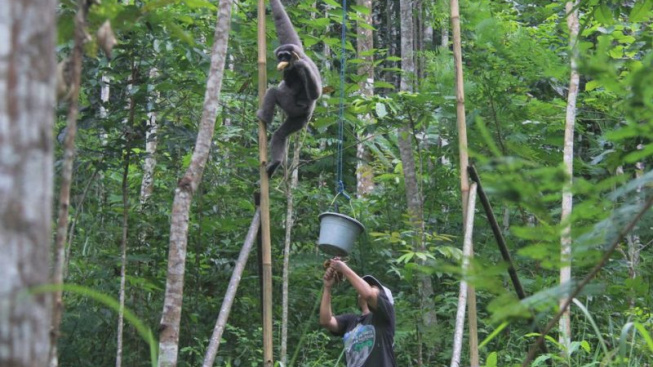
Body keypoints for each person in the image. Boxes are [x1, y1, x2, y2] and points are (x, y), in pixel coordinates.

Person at [319, 257, 397, 367]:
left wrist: (343, 268)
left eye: (373, 286)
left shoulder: (385, 316)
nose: (366, 286)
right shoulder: (351, 320)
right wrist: (327, 287)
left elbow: (369, 294)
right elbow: (326, 321)